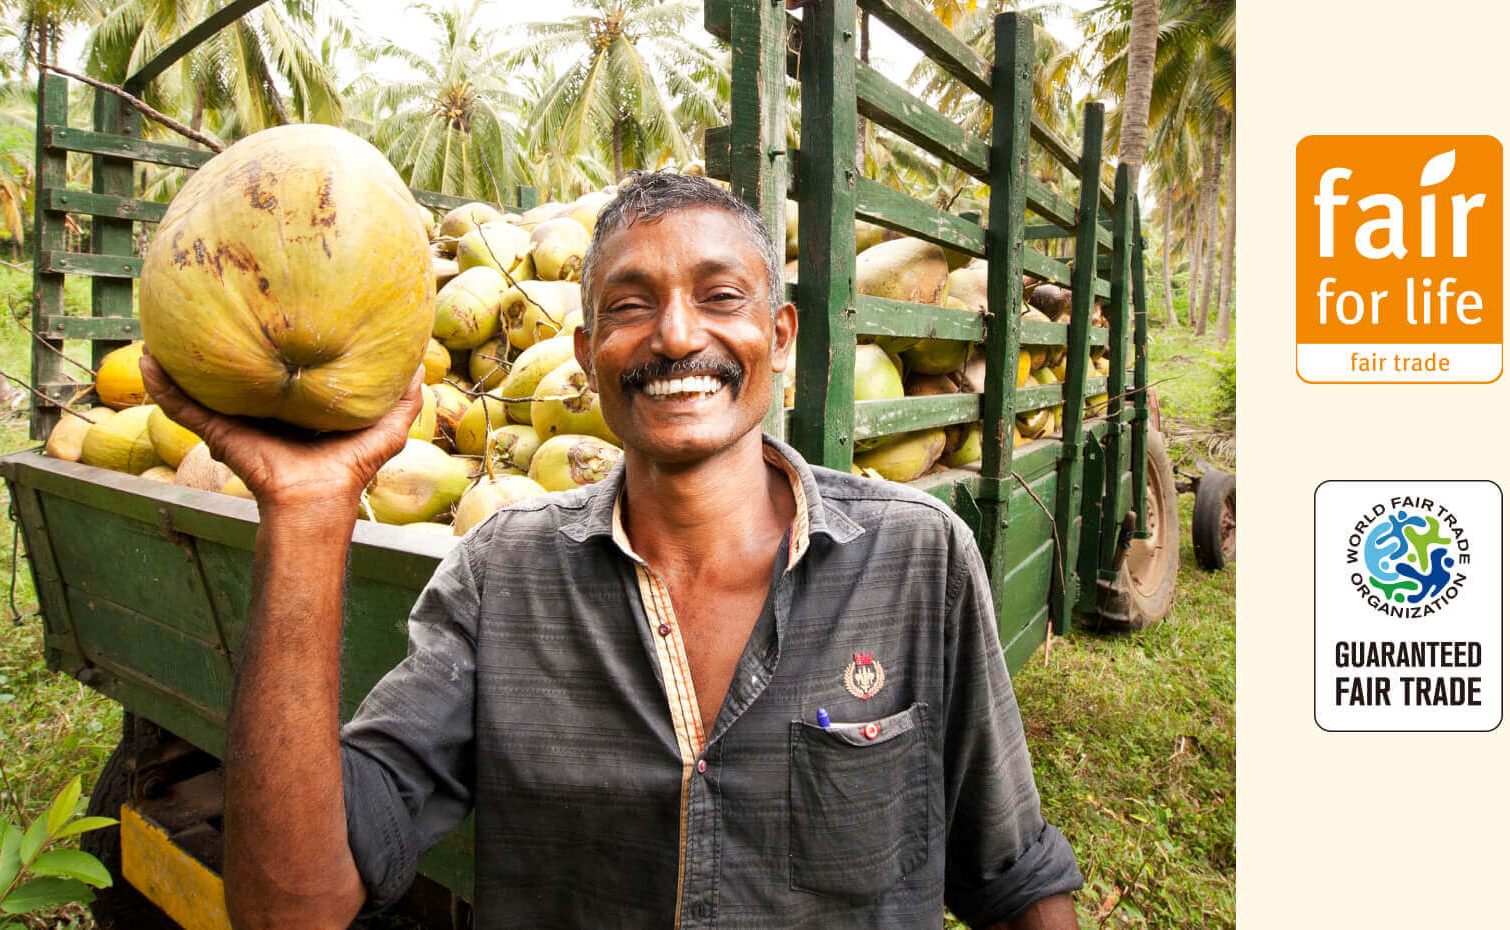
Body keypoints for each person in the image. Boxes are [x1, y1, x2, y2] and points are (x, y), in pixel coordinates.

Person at [140, 171, 1082, 929]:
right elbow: (290, 913)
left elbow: (1014, 874)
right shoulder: (500, 578)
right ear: (587, 354)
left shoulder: (917, 558)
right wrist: (306, 512)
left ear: (779, 336)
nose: (677, 335)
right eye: (632, 307)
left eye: (720, 296)